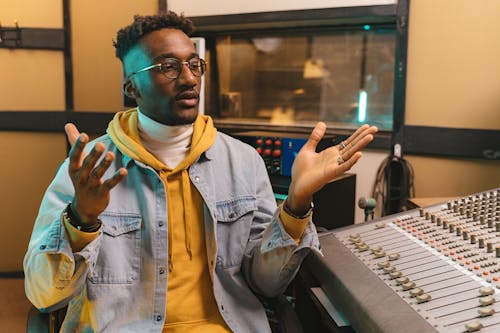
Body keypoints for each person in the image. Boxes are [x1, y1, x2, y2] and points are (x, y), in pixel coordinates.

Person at [24, 12, 377, 333]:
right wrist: (81, 219)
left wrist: (298, 202)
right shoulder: (89, 169)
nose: (189, 78)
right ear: (131, 87)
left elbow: (267, 284)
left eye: (194, 64)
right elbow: (44, 296)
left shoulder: (242, 162)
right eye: (168, 67)